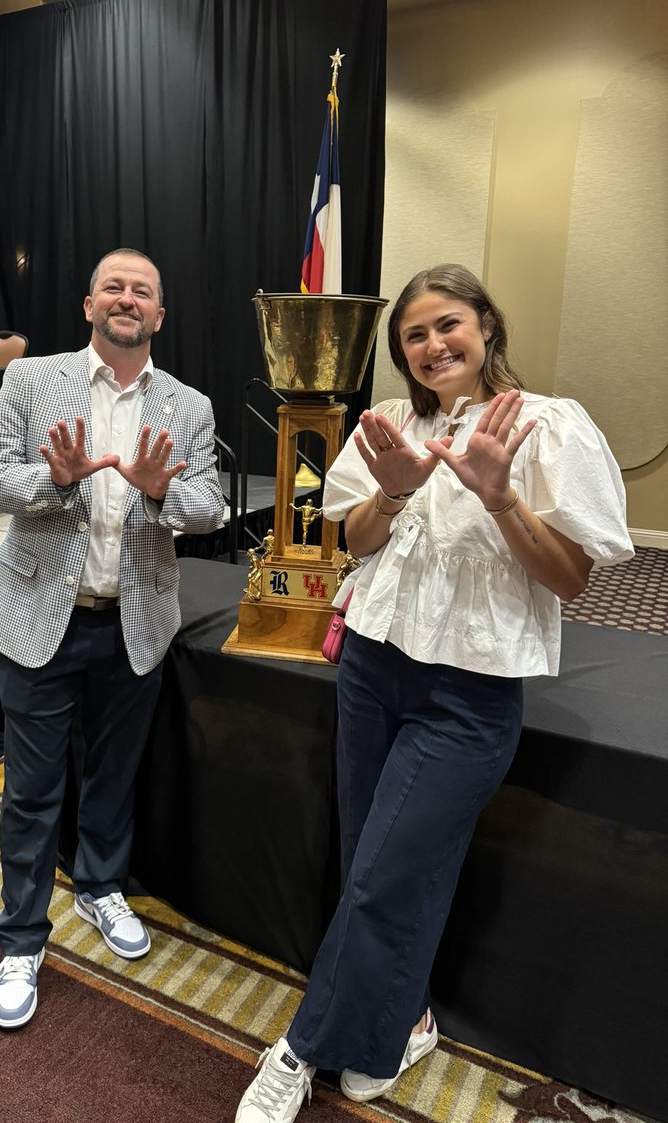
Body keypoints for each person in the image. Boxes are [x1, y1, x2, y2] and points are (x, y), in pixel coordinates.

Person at [235, 263, 633, 1121]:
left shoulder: (548, 426)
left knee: (383, 876)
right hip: (373, 669)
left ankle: (298, 1046)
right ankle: (396, 1027)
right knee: (383, 867)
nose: (432, 345)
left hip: (468, 694)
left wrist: (498, 500)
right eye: (413, 335)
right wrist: (397, 488)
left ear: (487, 325)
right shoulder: (385, 425)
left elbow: (571, 580)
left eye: (447, 324)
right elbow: (358, 538)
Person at [0, 247, 225, 1029]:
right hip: (38, 616)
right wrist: (58, 481)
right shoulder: (30, 380)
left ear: (158, 315)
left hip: (135, 621)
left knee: (115, 773)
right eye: (112, 287)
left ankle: (100, 887)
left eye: (141, 291)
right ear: (89, 307)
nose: (126, 299)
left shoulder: (189, 404)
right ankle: (20, 938)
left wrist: (162, 491)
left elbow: (210, 504)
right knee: (32, 789)